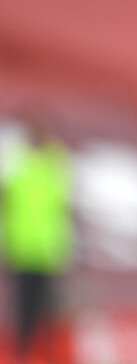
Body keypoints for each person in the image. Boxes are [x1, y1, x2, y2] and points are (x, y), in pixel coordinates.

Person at [1, 109, 74, 364]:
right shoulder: (15, 159)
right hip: (21, 246)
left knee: (48, 307)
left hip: (47, 247)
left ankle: (47, 353)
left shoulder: (56, 160)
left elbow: (63, 205)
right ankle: (23, 352)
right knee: (23, 305)